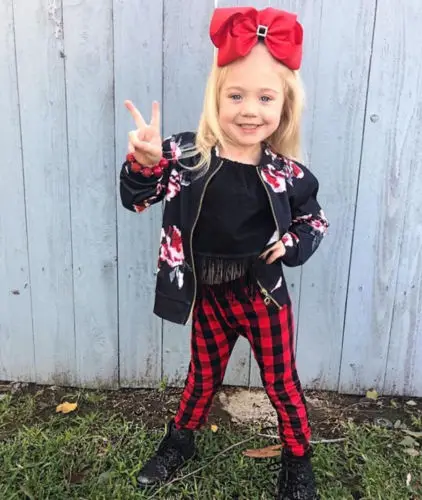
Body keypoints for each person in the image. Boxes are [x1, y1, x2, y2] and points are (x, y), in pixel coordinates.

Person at [120, 6, 328, 499]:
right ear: (216, 97)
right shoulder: (186, 156)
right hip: (208, 295)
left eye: (265, 97)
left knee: (281, 382)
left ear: (285, 105)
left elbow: (315, 221)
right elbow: (137, 200)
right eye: (236, 95)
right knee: (202, 377)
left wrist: (292, 243)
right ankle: (179, 441)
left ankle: (297, 459)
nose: (249, 110)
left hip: (262, 295)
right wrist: (144, 163)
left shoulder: (287, 173)